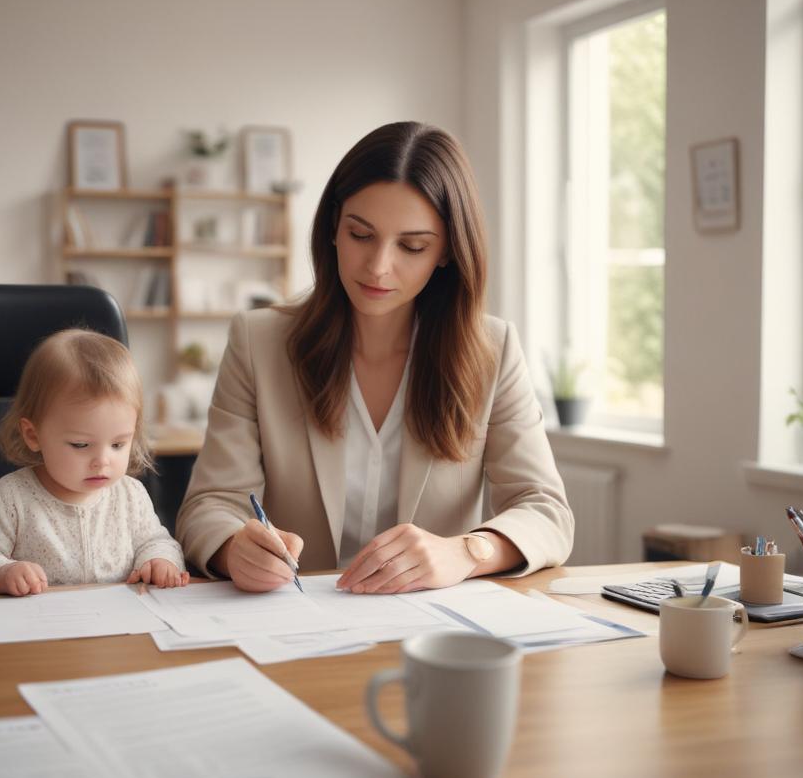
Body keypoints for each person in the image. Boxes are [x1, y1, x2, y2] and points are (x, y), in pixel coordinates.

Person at [177, 121, 573, 594]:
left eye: (412, 246)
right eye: (361, 235)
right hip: (294, 616)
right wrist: (233, 546)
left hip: (430, 621)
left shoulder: (492, 350)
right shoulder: (258, 342)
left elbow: (546, 511)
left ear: (446, 251)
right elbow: (208, 505)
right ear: (333, 228)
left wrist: (466, 552)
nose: (378, 266)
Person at [0, 329, 188, 596]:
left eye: (118, 444)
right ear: (33, 435)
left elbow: (157, 541)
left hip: (117, 619)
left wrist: (159, 560)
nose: (102, 461)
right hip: (42, 619)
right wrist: (2, 571)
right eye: (81, 445)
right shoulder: (11, 499)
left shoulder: (131, 496)